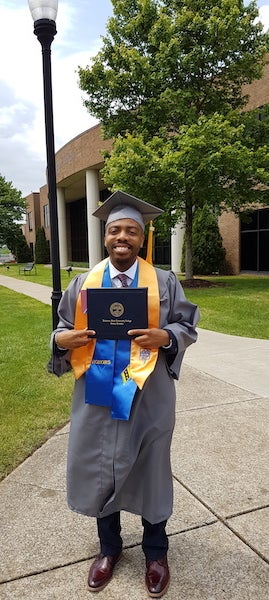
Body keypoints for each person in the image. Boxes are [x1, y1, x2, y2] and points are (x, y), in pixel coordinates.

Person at [50, 190, 199, 598]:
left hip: (148, 392)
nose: (122, 237)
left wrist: (166, 335)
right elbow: (60, 329)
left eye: (131, 231)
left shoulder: (165, 282)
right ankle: (109, 549)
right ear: (105, 236)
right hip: (97, 392)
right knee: (103, 466)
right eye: (115, 229)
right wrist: (64, 339)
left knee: (150, 468)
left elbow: (188, 327)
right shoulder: (83, 282)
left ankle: (156, 552)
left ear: (142, 237)